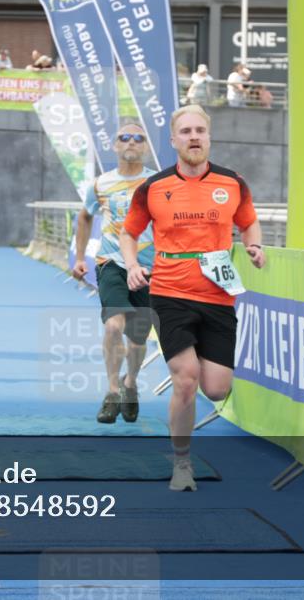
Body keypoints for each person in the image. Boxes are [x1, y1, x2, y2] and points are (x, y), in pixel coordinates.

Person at [121, 104, 267, 492]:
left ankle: (192, 400)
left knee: (217, 388)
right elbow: (129, 232)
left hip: (218, 295)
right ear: (173, 140)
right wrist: (133, 264)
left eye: (200, 130)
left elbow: (249, 221)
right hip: (169, 291)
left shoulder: (232, 182)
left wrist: (254, 247)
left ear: (209, 136)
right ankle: (182, 464)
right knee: (185, 380)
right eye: (185, 132)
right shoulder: (153, 187)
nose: (194, 137)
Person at [73, 122, 156, 424]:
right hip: (110, 263)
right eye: (125, 137)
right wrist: (81, 258)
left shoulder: (158, 184)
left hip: (149, 268)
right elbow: (84, 217)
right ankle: (111, 391)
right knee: (112, 326)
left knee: (137, 340)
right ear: (114, 145)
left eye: (139, 138)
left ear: (146, 147)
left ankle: (129, 384)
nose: (132, 142)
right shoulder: (101, 184)